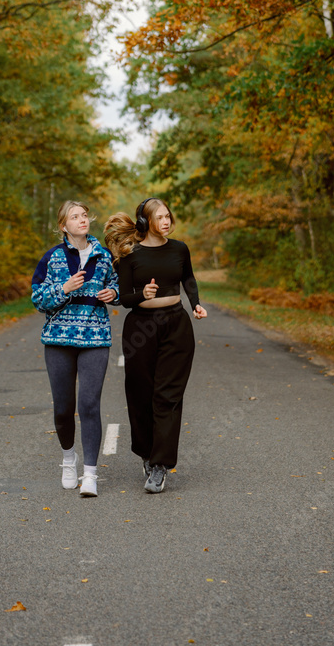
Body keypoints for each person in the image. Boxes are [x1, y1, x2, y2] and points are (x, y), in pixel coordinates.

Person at [104, 197, 207, 494]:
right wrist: (143, 295)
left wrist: (196, 304)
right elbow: (124, 298)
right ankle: (146, 454)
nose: (166, 221)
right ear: (144, 222)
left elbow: (188, 278)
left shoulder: (179, 249)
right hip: (141, 329)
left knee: (168, 395)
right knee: (140, 394)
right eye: (159, 217)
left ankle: (160, 465)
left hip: (177, 325)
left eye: (168, 216)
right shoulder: (129, 254)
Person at [32, 200, 119, 497]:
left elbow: (118, 286)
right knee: (63, 408)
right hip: (58, 341)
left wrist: (114, 293)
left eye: (84, 215)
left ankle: (91, 474)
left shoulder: (104, 257)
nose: (82, 220)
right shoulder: (52, 258)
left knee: (89, 405)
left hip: (95, 338)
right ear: (63, 226)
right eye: (75, 217)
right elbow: (38, 299)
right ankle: (69, 459)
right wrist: (64, 289)